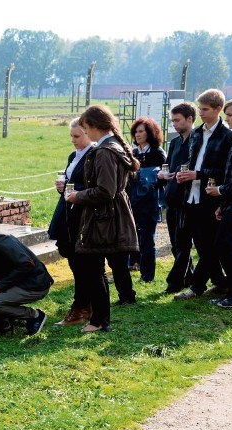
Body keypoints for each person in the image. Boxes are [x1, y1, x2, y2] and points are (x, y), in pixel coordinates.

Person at [65, 105, 140, 332]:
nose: (85, 133)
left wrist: (78, 196)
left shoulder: (105, 151)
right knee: (95, 268)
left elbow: (105, 191)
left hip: (103, 218)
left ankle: (99, 321)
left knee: (92, 269)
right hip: (110, 216)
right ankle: (99, 319)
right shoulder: (112, 146)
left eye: (86, 128)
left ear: (95, 126)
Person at [174, 89, 232, 301]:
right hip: (191, 196)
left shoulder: (228, 137)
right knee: (202, 245)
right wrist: (184, 175)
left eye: (205, 109)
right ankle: (221, 282)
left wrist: (198, 174)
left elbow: (227, 172)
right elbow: (193, 162)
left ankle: (198, 286)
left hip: (211, 198)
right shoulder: (197, 133)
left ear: (218, 109)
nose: (201, 112)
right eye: (200, 108)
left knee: (210, 245)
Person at [48, 118, 94, 325]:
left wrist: (70, 186)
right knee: (73, 260)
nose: (73, 140)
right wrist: (62, 186)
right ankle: (83, 304)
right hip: (67, 211)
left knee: (82, 263)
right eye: (71, 136)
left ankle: (82, 305)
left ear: (88, 133)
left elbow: (91, 184)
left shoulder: (92, 155)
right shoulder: (73, 156)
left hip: (81, 215)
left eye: (77, 136)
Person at [205, 97, 232, 308]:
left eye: (230, 115)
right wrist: (223, 202)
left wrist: (220, 190)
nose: (226, 119)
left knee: (224, 247)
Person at [160, 102, 196, 293]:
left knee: (182, 242)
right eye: (172, 120)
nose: (174, 124)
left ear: (190, 119)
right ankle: (189, 275)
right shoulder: (174, 142)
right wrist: (163, 175)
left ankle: (175, 281)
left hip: (188, 198)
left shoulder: (196, 141)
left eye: (177, 120)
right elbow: (168, 166)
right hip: (172, 197)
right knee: (175, 243)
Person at [128, 117, 166, 282]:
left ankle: (147, 274)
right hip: (133, 201)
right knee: (133, 235)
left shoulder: (158, 153)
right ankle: (133, 264)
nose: (138, 134)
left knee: (148, 239)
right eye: (136, 131)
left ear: (150, 133)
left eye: (141, 131)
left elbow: (164, 178)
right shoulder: (133, 153)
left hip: (150, 202)